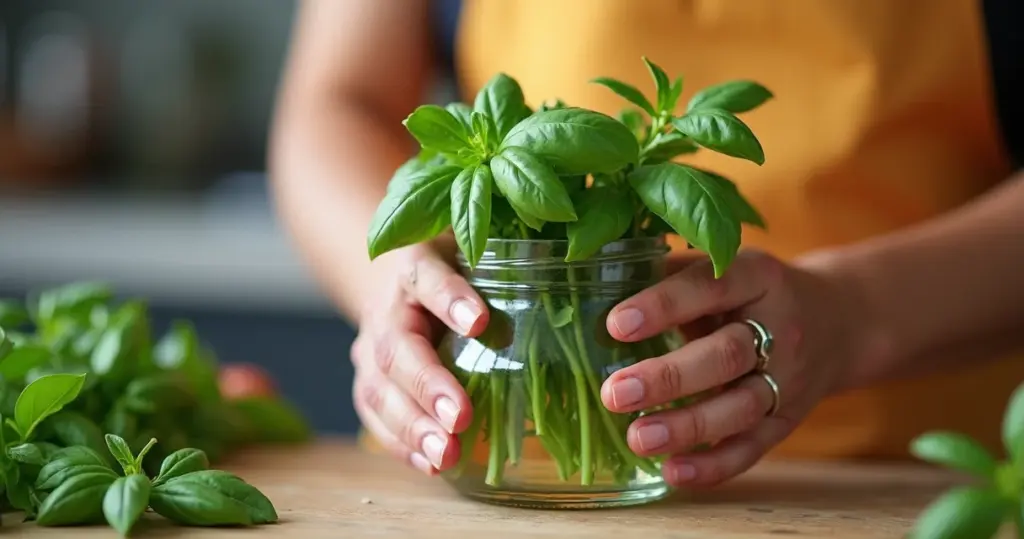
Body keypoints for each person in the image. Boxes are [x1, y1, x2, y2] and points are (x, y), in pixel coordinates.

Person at [267, 0, 1024, 486]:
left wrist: (852, 314)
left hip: (899, 478)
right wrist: (395, 284)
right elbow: (339, 101)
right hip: (476, 468)